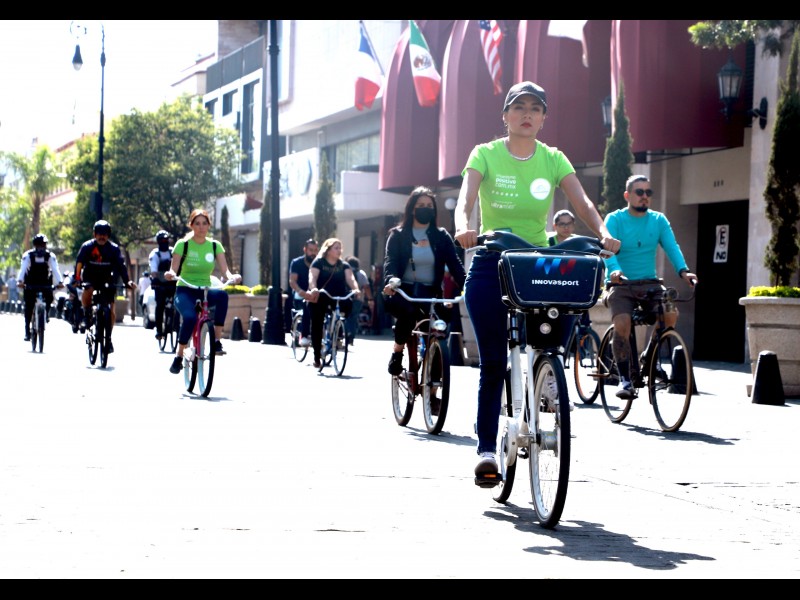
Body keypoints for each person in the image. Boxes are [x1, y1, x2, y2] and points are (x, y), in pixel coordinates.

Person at [453, 81, 620, 483]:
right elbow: (465, 200)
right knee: (494, 361)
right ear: (506, 115)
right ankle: (487, 450)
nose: (527, 114)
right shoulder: (485, 154)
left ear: (543, 118)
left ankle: (547, 376)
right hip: (493, 259)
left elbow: (583, 202)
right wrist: (462, 227)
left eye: (536, 108)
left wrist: (602, 232)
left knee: (557, 328)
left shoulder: (553, 158)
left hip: (535, 264)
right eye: (519, 107)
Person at [602, 174, 698, 400]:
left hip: (650, 283)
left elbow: (672, 246)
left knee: (670, 313)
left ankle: (648, 355)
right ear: (627, 195)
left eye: (648, 192)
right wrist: (614, 270)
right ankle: (625, 380)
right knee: (622, 323)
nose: (644, 196)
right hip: (620, 283)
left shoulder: (658, 220)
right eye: (639, 192)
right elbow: (607, 250)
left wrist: (684, 271)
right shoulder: (614, 219)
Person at [382, 186, 466, 375]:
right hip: (403, 291)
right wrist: (390, 280)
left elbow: (455, 264)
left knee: (438, 326)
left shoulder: (441, 236)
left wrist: (468, 286)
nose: (425, 208)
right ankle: (397, 352)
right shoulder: (398, 235)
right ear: (412, 208)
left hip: (431, 293)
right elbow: (390, 261)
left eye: (429, 205)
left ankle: (434, 379)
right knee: (408, 314)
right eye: (421, 205)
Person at [164, 208, 241, 374]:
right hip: (185, 290)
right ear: (191, 225)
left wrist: (232, 276)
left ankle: (217, 340)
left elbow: (225, 271)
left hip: (204, 291)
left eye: (204, 223)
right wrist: (170, 274)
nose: (201, 227)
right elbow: (173, 269)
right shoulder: (183, 245)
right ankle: (179, 356)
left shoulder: (214, 246)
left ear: (209, 225)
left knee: (222, 296)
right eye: (197, 223)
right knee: (190, 317)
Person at [74, 220, 137, 352]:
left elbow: (121, 266)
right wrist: (78, 279)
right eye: (99, 234)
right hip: (90, 277)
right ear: (94, 234)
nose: (102, 236)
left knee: (111, 311)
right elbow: (79, 263)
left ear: (108, 235)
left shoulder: (114, 249)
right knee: (88, 290)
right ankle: (87, 313)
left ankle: (108, 338)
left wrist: (127, 282)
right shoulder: (87, 247)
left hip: (107, 279)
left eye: (105, 234)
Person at [306, 238, 361, 369]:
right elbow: (312, 277)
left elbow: (350, 278)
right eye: (336, 248)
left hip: (338, 296)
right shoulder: (319, 262)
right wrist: (314, 288)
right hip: (321, 295)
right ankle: (317, 355)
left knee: (348, 306)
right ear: (328, 249)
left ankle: (338, 332)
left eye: (340, 248)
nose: (339, 250)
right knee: (317, 323)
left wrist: (356, 289)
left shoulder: (344, 265)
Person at [17, 233, 64, 341]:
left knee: (49, 298)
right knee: (29, 306)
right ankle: (27, 331)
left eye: (43, 245)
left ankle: (45, 313)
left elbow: (55, 270)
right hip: (30, 284)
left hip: (45, 283)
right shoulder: (28, 255)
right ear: (35, 245)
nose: (41, 247)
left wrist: (60, 282)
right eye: (39, 245)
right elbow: (23, 269)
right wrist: (20, 281)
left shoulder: (50, 256)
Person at [287, 238, 319, 348]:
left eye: (315, 250)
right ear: (305, 249)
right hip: (300, 291)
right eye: (311, 250)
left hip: (314, 292)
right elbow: (292, 281)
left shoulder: (319, 263)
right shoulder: (297, 263)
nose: (313, 253)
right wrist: (301, 292)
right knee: (306, 305)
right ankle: (303, 334)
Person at [148, 230, 177, 340]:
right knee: (160, 304)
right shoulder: (155, 254)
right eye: (162, 241)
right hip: (160, 284)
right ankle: (159, 330)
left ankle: (175, 324)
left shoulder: (173, 251)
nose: (164, 242)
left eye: (166, 240)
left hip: (173, 283)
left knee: (177, 303)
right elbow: (154, 270)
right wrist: (155, 279)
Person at [345, 255, 374, 345]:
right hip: (358, 299)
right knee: (353, 317)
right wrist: (370, 299)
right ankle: (351, 337)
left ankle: (344, 334)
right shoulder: (361, 273)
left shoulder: (345, 271)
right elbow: (366, 287)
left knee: (345, 317)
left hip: (345, 297)